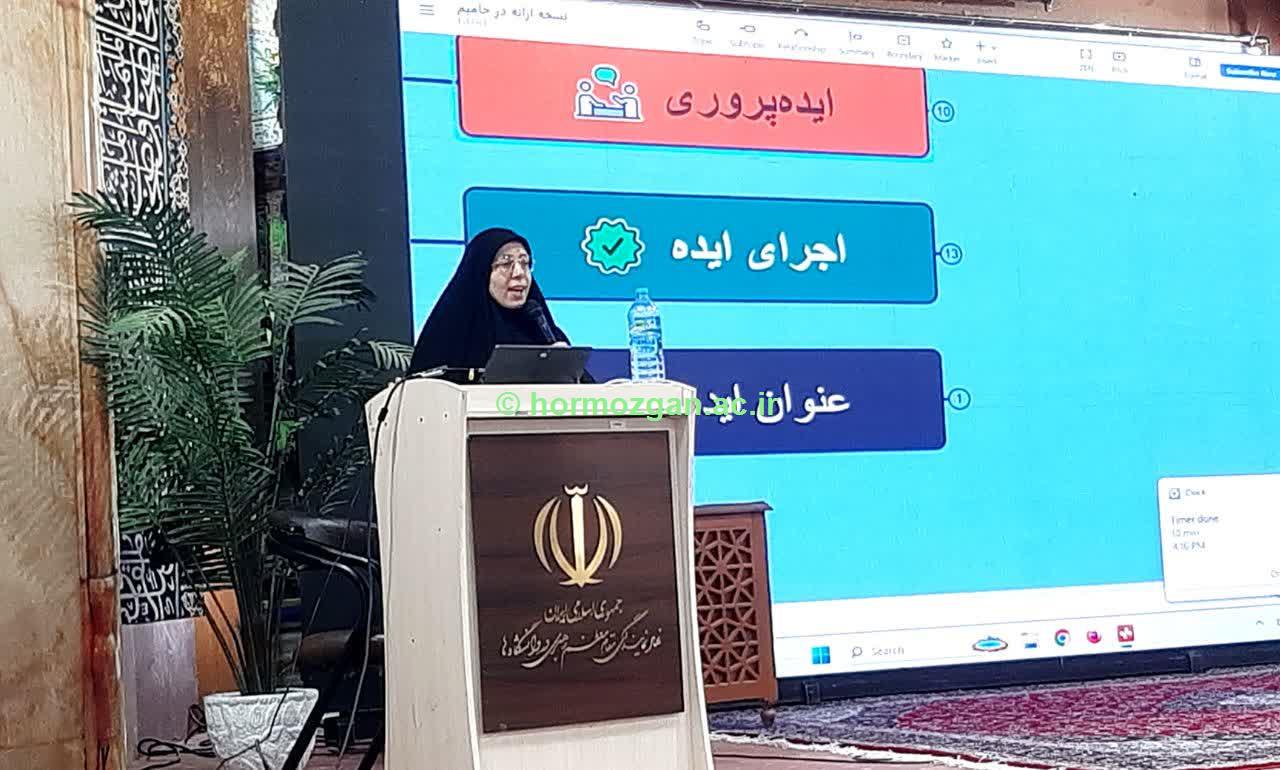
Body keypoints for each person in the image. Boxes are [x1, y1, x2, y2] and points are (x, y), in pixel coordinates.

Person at [407, 227, 575, 375]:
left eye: (525, 263)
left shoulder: (544, 333)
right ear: (482, 272)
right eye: (506, 264)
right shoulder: (450, 334)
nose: (519, 273)